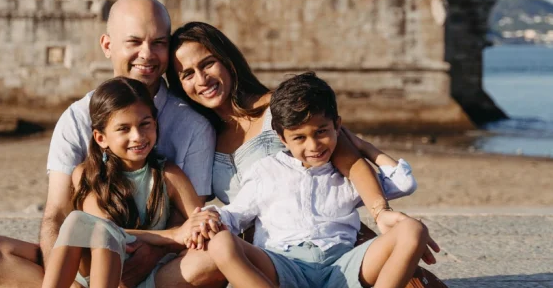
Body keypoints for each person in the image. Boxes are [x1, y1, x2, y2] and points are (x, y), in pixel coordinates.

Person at [0, 0, 225, 288]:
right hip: (85, 263)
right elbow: (58, 214)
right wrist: (66, 283)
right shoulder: (76, 119)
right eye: (133, 42)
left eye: (158, 43)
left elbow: (192, 222)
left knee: (221, 253)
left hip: (154, 270)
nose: (147, 54)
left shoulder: (192, 126)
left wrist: (149, 255)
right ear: (107, 45)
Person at [189, 72, 433, 288]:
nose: (314, 145)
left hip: (342, 268)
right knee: (221, 243)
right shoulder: (266, 171)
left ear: (337, 126)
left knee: (412, 230)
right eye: (299, 137)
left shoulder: (350, 172)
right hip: (285, 268)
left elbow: (403, 181)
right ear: (281, 137)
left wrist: (358, 144)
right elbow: (234, 215)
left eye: (322, 132)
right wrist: (210, 216)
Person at [5, 77, 219, 288]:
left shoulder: (167, 174)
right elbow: (106, 230)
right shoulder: (87, 175)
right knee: (80, 222)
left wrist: (202, 223)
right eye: (124, 128)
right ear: (101, 137)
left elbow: (196, 221)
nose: (138, 136)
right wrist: (172, 235)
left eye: (146, 124)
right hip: (91, 282)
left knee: (221, 248)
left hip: (139, 284)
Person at [168, 20, 406, 228]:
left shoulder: (279, 107)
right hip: (261, 256)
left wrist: (380, 211)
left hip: (320, 241)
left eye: (208, 64)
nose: (201, 79)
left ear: (228, 61)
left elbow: (351, 163)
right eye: (187, 74)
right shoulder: (202, 134)